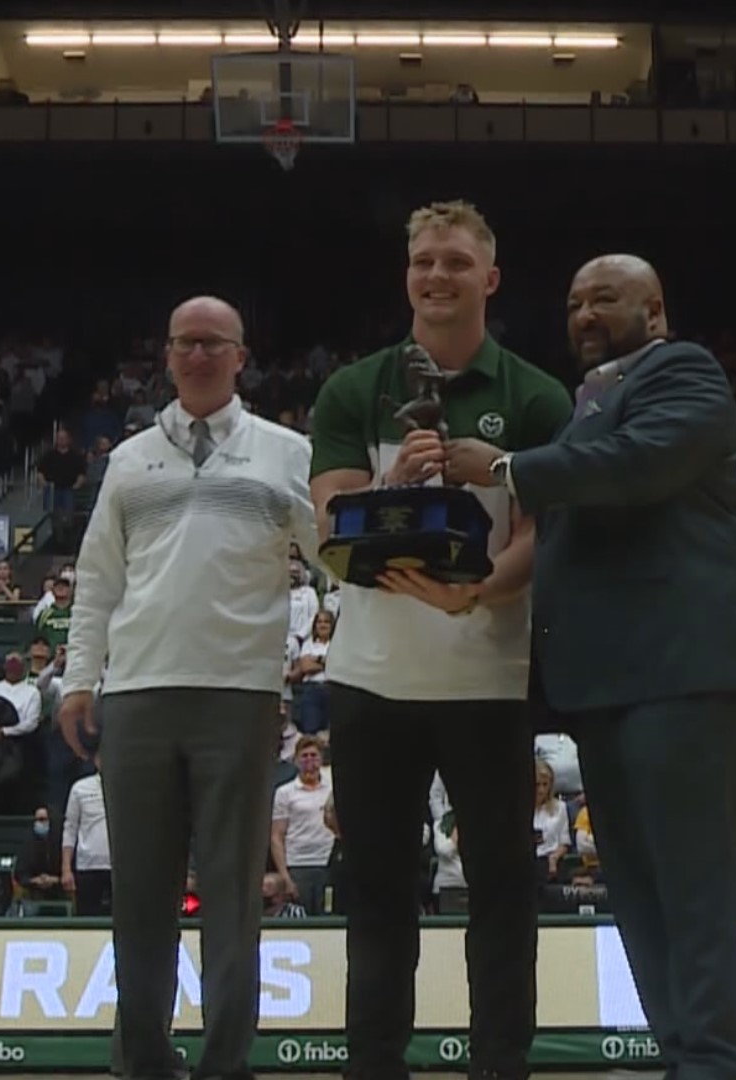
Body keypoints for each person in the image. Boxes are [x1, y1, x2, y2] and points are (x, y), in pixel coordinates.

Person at [440, 253, 736, 1080]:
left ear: (655, 309)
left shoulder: (681, 371)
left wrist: (507, 468)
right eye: (573, 303)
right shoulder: (585, 406)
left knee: (692, 886)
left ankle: (717, 1064)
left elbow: (637, 467)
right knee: (638, 890)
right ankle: (685, 1056)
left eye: (605, 299)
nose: (584, 314)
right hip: (608, 681)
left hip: (686, 671)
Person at [306, 201, 571, 1080]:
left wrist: (485, 589)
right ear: (407, 275)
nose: (436, 276)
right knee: (379, 893)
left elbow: (546, 526)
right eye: (424, 261)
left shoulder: (535, 394)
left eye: (456, 262)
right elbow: (329, 523)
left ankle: (502, 1066)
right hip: (370, 678)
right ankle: (374, 1065)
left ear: (489, 279)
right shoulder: (355, 387)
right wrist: (393, 480)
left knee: (502, 892)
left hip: (489, 677)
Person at [57, 295, 318, 1080]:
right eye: (184, 343)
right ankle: (142, 1061)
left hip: (238, 697)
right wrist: (78, 680)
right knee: (140, 897)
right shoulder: (130, 459)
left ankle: (225, 1064)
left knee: (235, 897)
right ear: (167, 356)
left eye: (214, 343)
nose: (198, 355)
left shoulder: (286, 452)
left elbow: (335, 557)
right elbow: (99, 578)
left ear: (241, 355)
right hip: (136, 695)